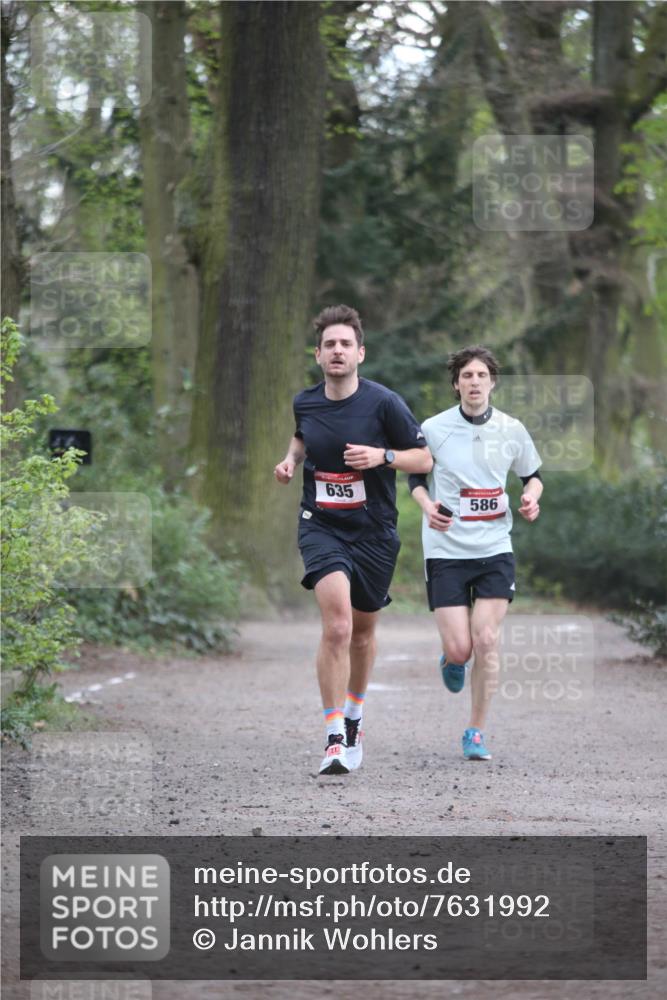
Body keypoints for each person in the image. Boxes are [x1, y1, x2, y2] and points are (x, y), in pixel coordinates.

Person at [274, 304, 432, 775]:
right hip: (320, 524)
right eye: (329, 345)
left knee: (362, 634)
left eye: (346, 344)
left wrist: (382, 456)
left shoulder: (384, 403)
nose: (337, 351)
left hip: (374, 531)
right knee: (338, 626)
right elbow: (302, 437)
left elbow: (423, 459)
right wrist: (290, 461)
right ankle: (333, 736)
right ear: (319, 356)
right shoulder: (305, 401)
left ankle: (355, 714)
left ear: (360, 353)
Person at [409, 345, 542, 761]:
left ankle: (476, 732)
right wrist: (428, 506)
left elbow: (532, 476)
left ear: (492, 382)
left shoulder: (512, 428)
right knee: (461, 649)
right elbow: (414, 478)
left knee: (486, 639)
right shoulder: (434, 429)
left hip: (494, 548)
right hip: (446, 549)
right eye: (467, 376)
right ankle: (451, 658)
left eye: (481, 375)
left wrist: (531, 499)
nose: (474, 382)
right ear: (456, 384)